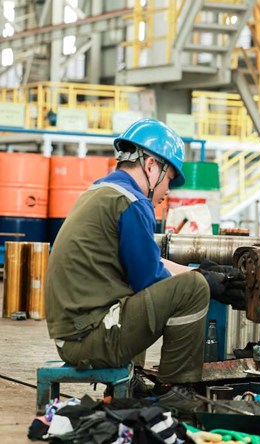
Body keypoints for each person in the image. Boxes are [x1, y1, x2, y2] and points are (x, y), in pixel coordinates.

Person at [45, 118, 246, 417]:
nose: (167, 192)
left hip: (75, 335)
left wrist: (201, 271)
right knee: (194, 290)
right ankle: (176, 389)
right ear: (151, 166)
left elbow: (150, 263)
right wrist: (205, 282)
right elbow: (150, 279)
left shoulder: (104, 193)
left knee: (188, 282)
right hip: (91, 339)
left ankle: (135, 381)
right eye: (169, 180)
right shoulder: (133, 202)